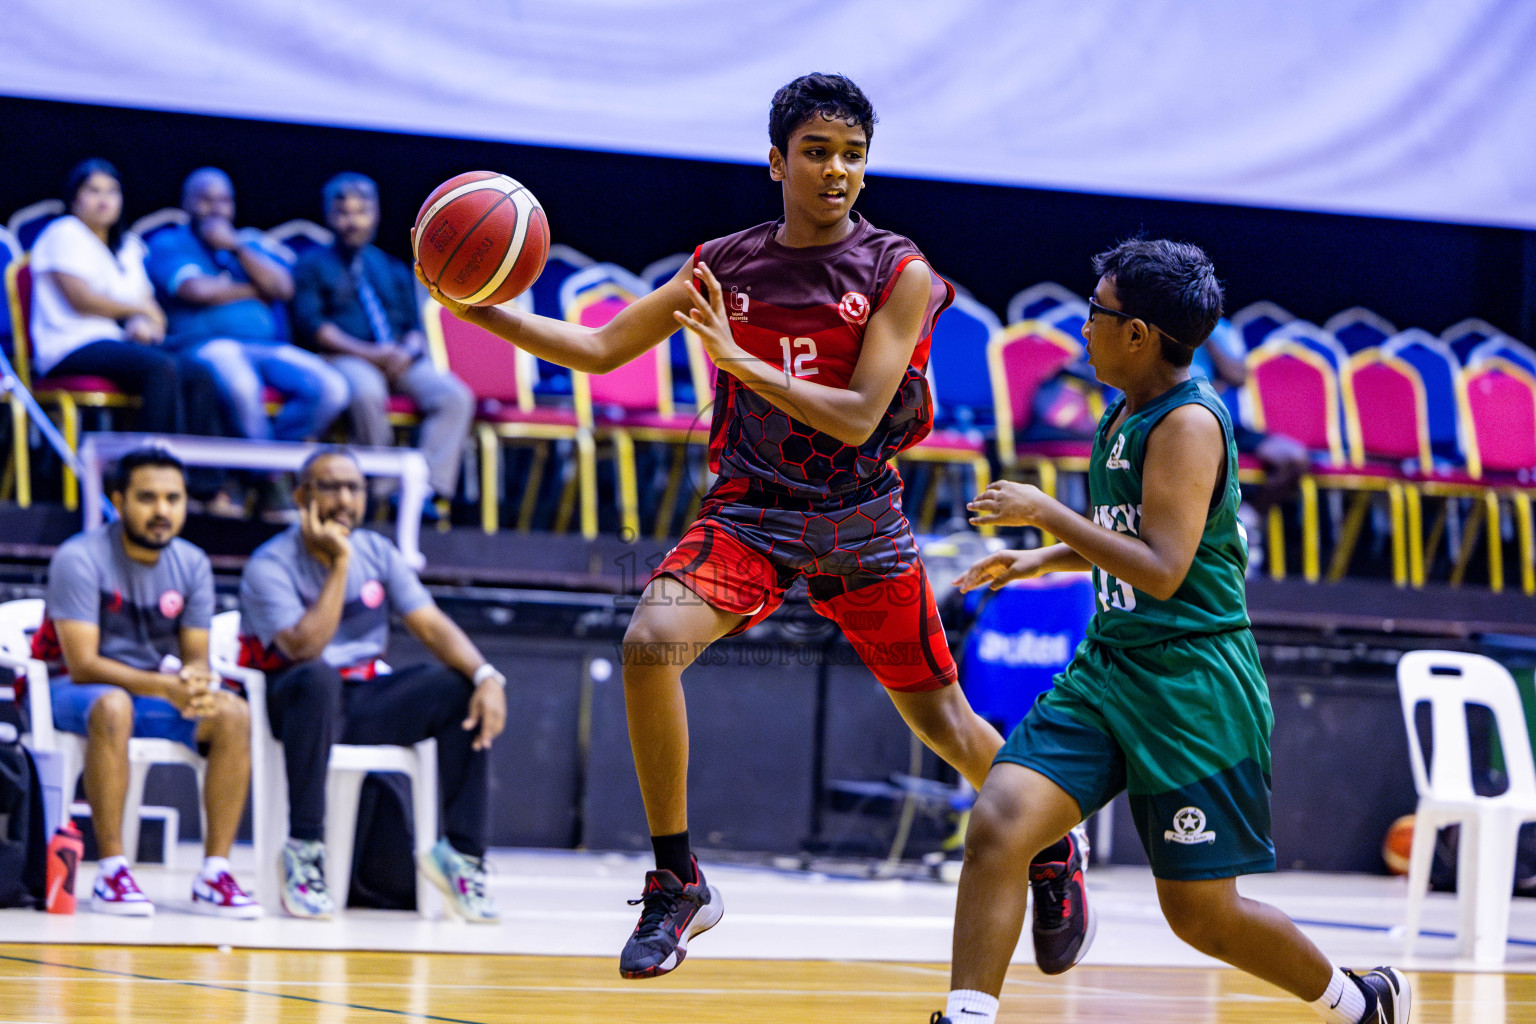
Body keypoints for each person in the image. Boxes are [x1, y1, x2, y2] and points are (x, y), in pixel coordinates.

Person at [418, 73, 1084, 981]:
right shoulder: (724, 262)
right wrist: (479, 309)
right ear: (777, 163)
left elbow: (856, 415)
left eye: (853, 154)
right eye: (817, 152)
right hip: (752, 514)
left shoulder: (900, 270)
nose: (837, 170)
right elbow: (602, 347)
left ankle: (1050, 847)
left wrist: (737, 359)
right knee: (650, 638)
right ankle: (678, 879)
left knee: (947, 723)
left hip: (858, 520)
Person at [930, 239, 1408, 1024]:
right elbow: (1129, 525)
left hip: (1193, 690)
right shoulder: (1124, 406)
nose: (1081, 328)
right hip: (1110, 670)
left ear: (1139, 334)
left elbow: (1160, 567)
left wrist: (1047, 513)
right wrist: (1042, 556)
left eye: (1095, 313)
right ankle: (968, 1016)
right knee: (999, 822)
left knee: (1200, 916)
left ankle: (1360, 1002)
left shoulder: (1188, 423)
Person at [236, 447, 507, 921]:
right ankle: (304, 849)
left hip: (360, 702)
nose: (344, 499)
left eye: (354, 488)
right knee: (317, 678)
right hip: (294, 703)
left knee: (459, 691)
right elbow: (304, 648)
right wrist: (339, 565)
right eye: (330, 487)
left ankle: (463, 857)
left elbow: (430, 624)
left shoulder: (379, 552)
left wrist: (485, 675)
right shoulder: (270, 564)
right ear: (302, 496)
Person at [33, 447, 258, 918]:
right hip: (65, 690)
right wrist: (165, 687)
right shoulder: (80, 557)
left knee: (232, 713)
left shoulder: (192, 563)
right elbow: (82, 664)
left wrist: (195, 683)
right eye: (148, 498)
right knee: (114, 705)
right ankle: (113, 869)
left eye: (173, 499)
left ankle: (214, 873)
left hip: (147, 694)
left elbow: (195, 658)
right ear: (118, 500)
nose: (162, 511)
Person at [291, 172, 473, 514]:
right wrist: (371, 353)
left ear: (375, 215)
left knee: (453, 396)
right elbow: (314, 328)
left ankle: (424, 491)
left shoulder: (390, 266)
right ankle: (384, 489)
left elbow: (415, 326)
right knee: (366, 393)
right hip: (344, 357)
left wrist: (406, 351)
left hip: (396, 359)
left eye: (361, 212)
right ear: (329, 215)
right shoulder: (311, 265)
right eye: (344, 212)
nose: (352, 221)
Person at [146, 168, 349, 447]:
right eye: (206, 199)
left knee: (332, 388)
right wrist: (255, 290)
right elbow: (195, 290)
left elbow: (283, 288)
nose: (216, 209)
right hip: (205, 345)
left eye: (224, 200)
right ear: (186, 203)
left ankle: (272, 465)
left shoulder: (248, 243)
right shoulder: (170, 242)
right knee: (242, 385)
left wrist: (236, 247)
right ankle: (269, 478)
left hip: (265, 346)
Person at [27, 159, 201, 436]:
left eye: (111, 191)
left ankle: (205, 476)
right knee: (161, 367)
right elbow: (81, 299)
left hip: (117, 342)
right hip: (70, 345)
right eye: (93, 191)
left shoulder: (129, 246)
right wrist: (138, 309)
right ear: (75, 198)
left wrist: (145, 325)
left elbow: (149, 307)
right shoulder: (63, 233)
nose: (104, 199)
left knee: (198, 371)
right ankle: (147, 466)